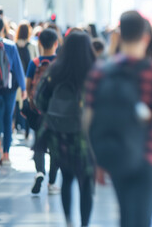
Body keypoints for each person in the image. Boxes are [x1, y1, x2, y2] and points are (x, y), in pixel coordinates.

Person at [85, 11, 152, 227]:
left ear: (119, 36)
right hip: (148, 155)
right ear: (146, 37)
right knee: (143, 219)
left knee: (126, 217)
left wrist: (97, 160)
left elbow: (88, 120)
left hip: (115, 153)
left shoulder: (100, 72)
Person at [34, 31, 95, 227]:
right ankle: (85, 224)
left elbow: (39, 100)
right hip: (87, 136)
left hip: (59, 133)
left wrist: (54, 112)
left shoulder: (55, 71)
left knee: (66, 178)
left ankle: (69, 221)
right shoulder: (95, 72)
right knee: (87, 184)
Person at [0, 18, 26, 166]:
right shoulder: (10, 46)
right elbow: (18, 69)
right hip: (9, 89)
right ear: (3, 29)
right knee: (8, 120)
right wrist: (23, 88)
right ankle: (7, 154)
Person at [26, 28, 60, 195]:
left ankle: (39, 171)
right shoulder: (60, 63)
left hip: (38, 110)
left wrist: (31, 102)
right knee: (55, 147)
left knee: (39, 144)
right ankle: (52, 183)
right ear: (56, 43)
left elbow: (28, 85)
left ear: (39, 43)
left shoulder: (35, 63)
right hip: (56, 111)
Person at [15, 21, 39, 138]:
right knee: (28, 105)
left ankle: (15, 128)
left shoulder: (14, 45)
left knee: (16, 106)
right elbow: (36, 62)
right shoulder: (33, 45)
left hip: (16, 80)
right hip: (29, 79)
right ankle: (27, 131)